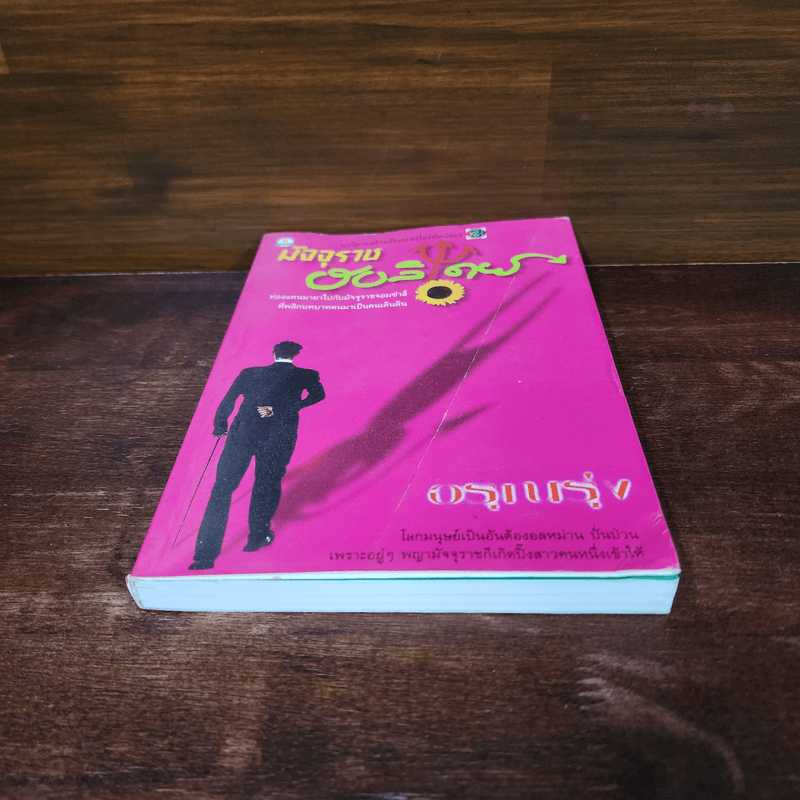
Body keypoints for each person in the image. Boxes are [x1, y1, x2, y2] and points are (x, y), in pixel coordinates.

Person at [189, 341, 325, 570]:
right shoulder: (305, 374)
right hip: (278, 435)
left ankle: (204, 555)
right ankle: (258, 537)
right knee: (266, 483)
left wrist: (220, 423)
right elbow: (318, 395)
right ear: (295, 355)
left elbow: (229, 399)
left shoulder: (250, 372)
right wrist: (289, 407)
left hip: (243, 432)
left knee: (222, 488)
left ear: (273, 353)